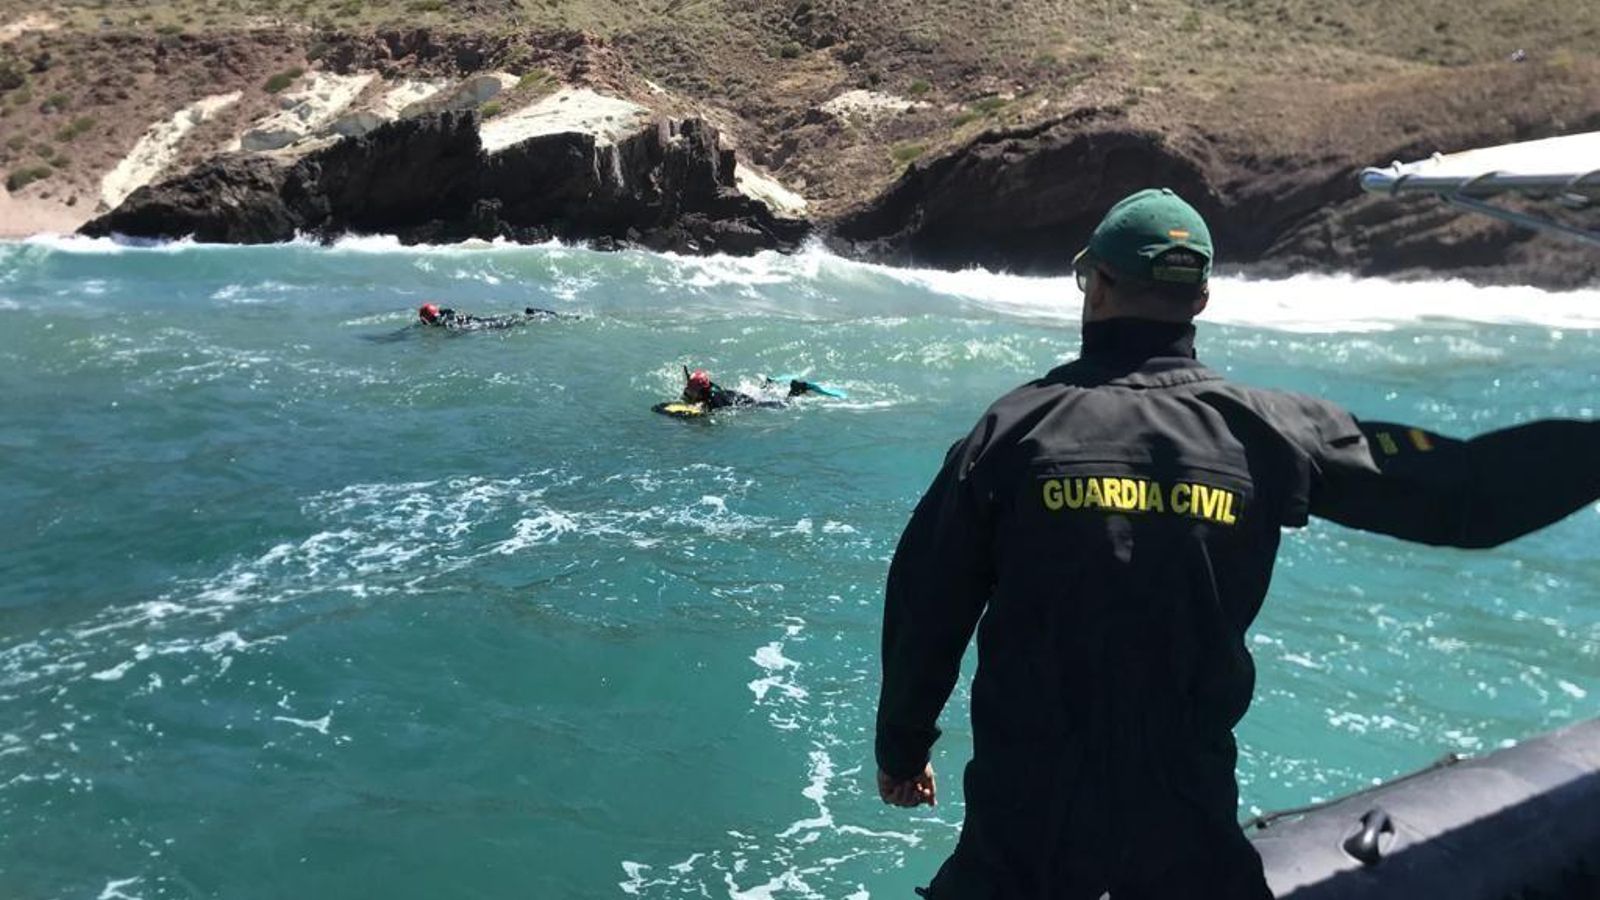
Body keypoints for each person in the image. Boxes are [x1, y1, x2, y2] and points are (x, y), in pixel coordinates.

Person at [873, 187, 1600, 899]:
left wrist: (903, 750)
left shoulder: (1010, 433)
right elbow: (1463, 493)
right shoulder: (1272, 429)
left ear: (1094, 285)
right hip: (1184, 815)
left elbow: (926, 605)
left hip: (1025, 820)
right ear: (1201, 299)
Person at [680, 368, 821, 410]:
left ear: (699, 390)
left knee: (783, 404)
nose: (687, 390)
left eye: (690, 388)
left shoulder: (713, 400)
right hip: (737, 394)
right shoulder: (708, 386)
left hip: (746, 403)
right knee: (761, 395)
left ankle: (796, 391)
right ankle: (767, 385)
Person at [417, 302, 577, 330]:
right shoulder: (447, 314)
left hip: (481, 326)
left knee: (517, 322)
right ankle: (534, 314)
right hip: (479, 321)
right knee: (514, 319)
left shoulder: (444, 323)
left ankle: (540, 315)